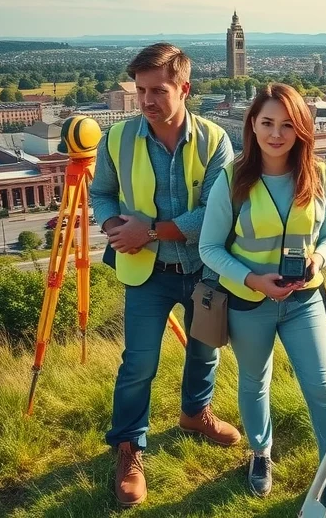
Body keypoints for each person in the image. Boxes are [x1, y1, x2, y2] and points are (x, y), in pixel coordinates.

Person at [198, 82, 326, 515]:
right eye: (268, 122)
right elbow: (210, 248)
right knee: (255, 382)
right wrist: (253, 279)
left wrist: (319, 259)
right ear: (252, 125)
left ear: (302, 129)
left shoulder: (318, 174)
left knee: (323, 388)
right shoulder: (233, 178)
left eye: (288, 124)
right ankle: (260, 453)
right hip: (249, 302)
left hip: (303, 300)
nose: (276, 133)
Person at [89, 42, 240, 508]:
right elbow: (103, 196)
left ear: (184, 89)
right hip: (147, 274)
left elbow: (216, 215)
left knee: (204, 352)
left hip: (203, 271)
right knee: (138, 364)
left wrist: (149, 230)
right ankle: (129, 447)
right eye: (140, 90)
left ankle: (196, 414)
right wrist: (115, 226)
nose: (147, 100)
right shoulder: (118, 139)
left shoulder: (215, 141)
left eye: (158, 90)